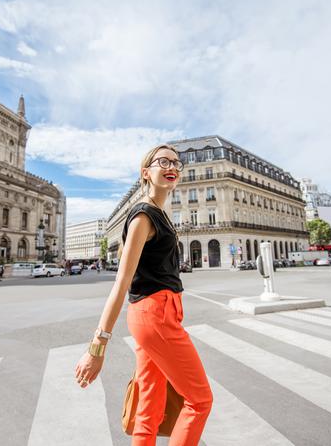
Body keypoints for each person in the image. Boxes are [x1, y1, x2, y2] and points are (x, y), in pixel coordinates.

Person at [74, 144, 213, 445]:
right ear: (145, 173)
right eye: (162, 161)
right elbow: (121, 283)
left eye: (176, 162)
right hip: (156, 315)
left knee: (149, 406)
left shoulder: (159, 215)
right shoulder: (144, 216)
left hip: (156, 315)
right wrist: (96, 348)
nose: (171, 165)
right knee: (200, 401)